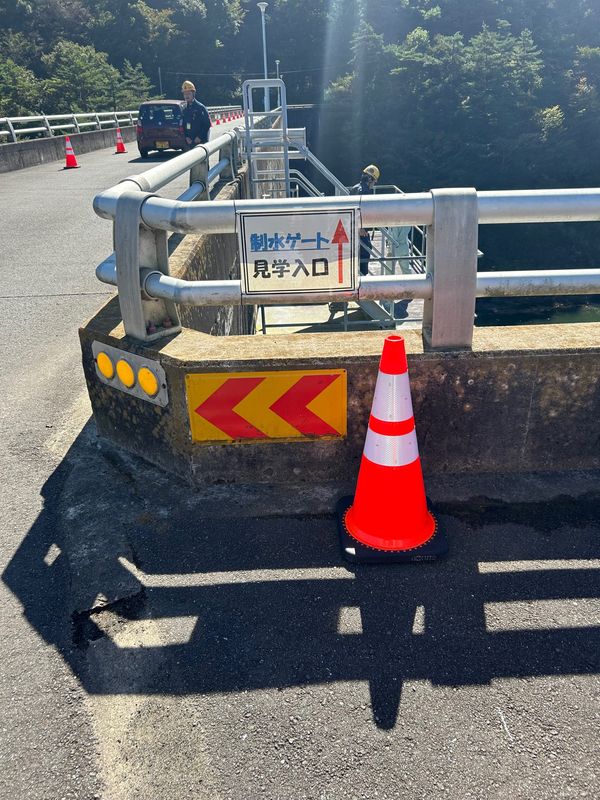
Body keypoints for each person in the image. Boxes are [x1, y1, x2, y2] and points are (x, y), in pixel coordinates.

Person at [351, 164, 380, 276]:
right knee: (365, 252)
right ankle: (362, 278)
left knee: (357, 253)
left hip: (354, 227)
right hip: (361, 230)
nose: (374, 184)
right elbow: (362, 211)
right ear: (370, 179)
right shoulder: (365, 191)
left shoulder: (354, 188)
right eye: (374, 181)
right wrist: (360, 228)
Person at [181, 80, 211, 148]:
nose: (186, 96)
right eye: (185, 94)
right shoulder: (185, 109)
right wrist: (186, 137)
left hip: (201, 142)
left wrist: (199, 137)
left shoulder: (200, 108)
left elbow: (207, 124)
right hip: (190, 143)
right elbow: (184, 125)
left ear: (193, 94)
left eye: (188, 93)